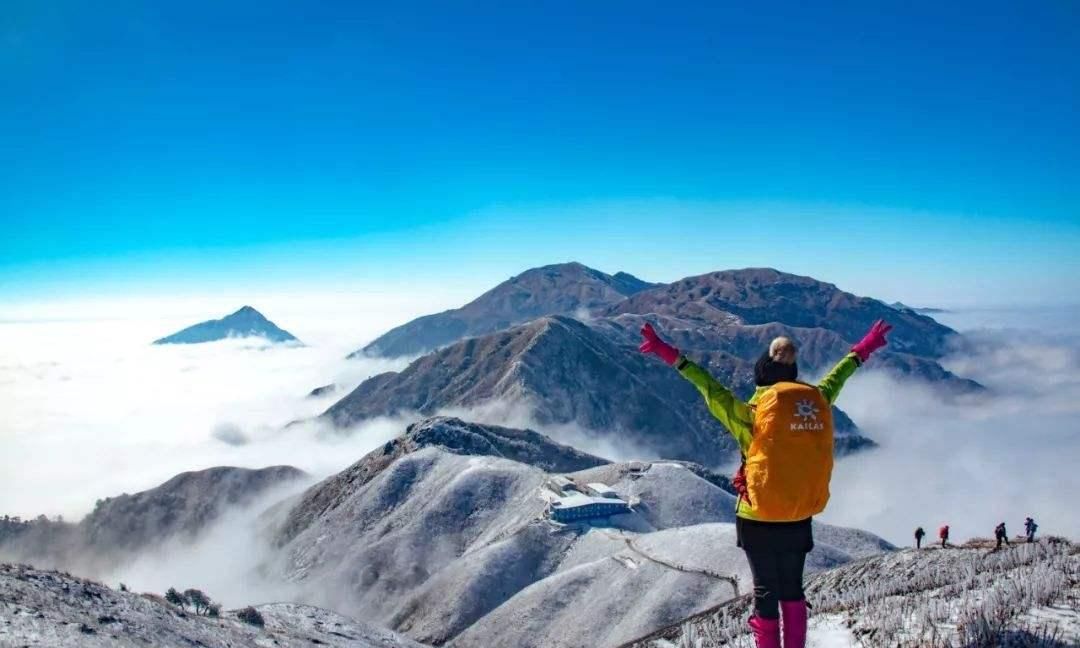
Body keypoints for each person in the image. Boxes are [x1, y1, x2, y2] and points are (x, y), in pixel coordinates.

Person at [639, 319, 892, 648]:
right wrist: (863, 349)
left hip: (757, 515)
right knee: (793, 589)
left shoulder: (750, 414)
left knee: (765, 591)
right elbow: (837, 378)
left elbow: (710, 387)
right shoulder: (814, 400)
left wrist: (670, 354)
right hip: (798, 515)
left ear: (761, 376)